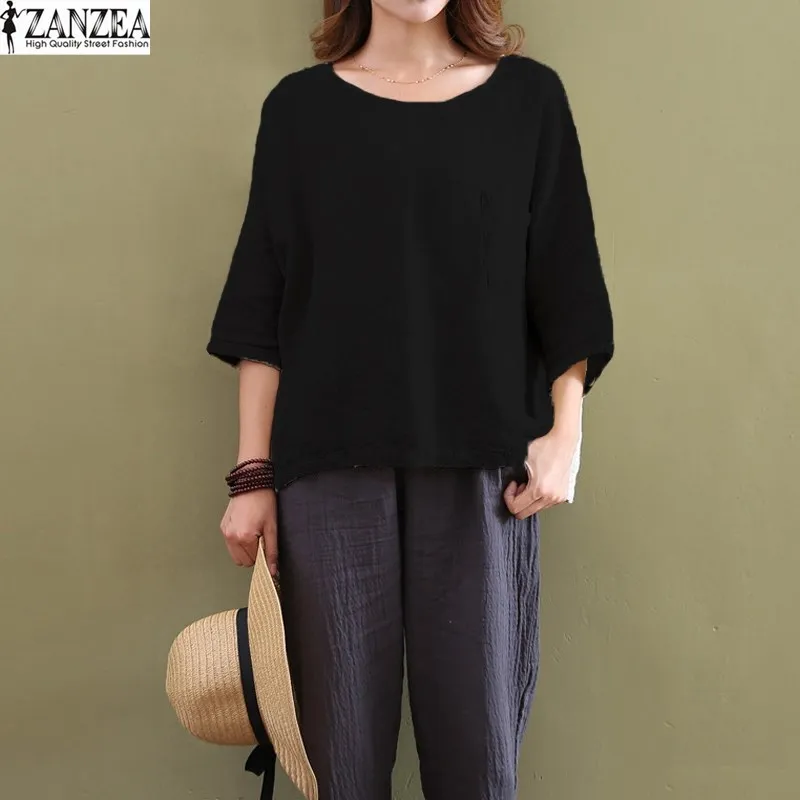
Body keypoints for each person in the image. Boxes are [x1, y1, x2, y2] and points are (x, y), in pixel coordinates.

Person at [206, 1, 614, 798]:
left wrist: (566, 434)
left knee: (477, 765)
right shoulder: (299, 110)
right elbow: (264, 303)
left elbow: (566, 283)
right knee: (338, 767)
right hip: (326, 473)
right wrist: (252, 475)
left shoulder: (529, 99)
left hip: (487, 474)